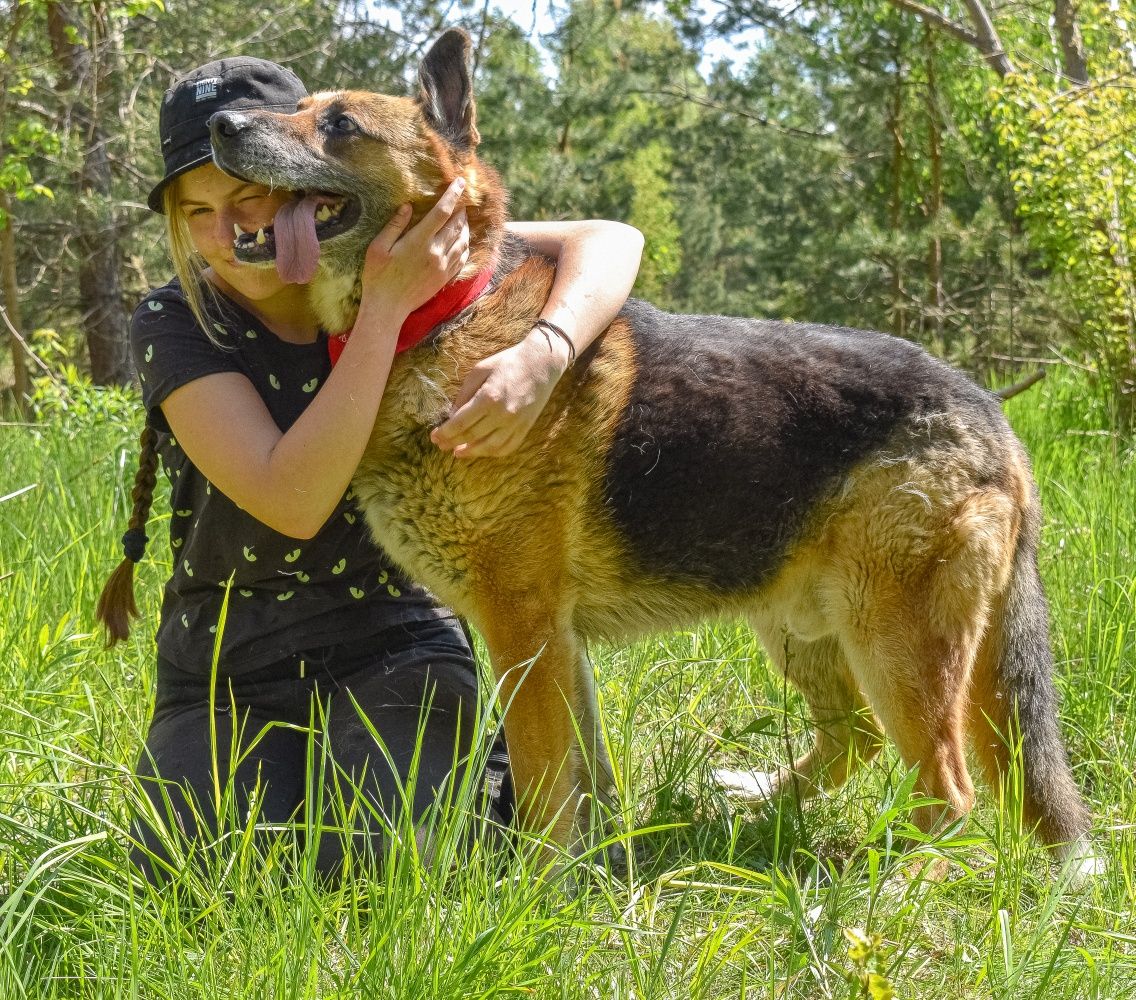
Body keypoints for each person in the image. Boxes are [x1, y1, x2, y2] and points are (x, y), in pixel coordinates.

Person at [97, 57, 643, 883]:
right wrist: (385, 307)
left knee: (393, 863)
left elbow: (610, 240)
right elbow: (294, 498)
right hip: (225, 667)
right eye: (198, 210)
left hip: (392, 643)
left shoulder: (394, 252)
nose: (230, 228)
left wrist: (546, 349)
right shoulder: (180, 318)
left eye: (249, 194)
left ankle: (491, 789)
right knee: (193, 871)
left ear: (302, 181)